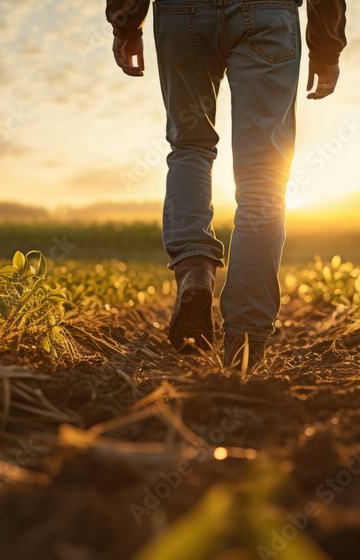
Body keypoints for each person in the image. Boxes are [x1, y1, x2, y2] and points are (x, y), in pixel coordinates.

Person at [106, 0, 347, 370]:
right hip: (267, 13)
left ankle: (195, 270)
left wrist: (126, 22)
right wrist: (326, 45)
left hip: (181, 14)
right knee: (263, 176)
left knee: (190, 147)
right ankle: (244, 345)